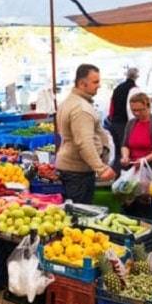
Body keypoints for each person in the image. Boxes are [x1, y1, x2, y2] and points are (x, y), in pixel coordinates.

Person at [56, 64, 116, 204]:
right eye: (95, 82)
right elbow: (84, 142)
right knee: (80, 216)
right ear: (82, 84)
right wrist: (100, 169)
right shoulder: (81, 109)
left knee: (74, 213)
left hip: (73, 170)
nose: (99, 85)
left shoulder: (70, 102)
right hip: (78, 173)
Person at [119, 92, 152, 221]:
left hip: (150, 172)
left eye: (140, 110)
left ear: (148, 106)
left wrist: (145, 160)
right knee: (128, 204)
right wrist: (125, 156)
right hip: (132, 172)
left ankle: (148, 235)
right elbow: (125, 144)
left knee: (145, 206)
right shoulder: (131, 123)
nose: (137, 113)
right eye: (133, 110)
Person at [108, 67, 141, 171]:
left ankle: (116, 176)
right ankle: (124, 177)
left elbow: (111, 106)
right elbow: (131, 109)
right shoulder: (134, 89)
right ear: (136, 76)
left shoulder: (118, 88)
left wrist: (111, 119)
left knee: (118, 151)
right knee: (126, 152)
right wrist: (134, 124)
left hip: (114, 122)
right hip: (125, 123)